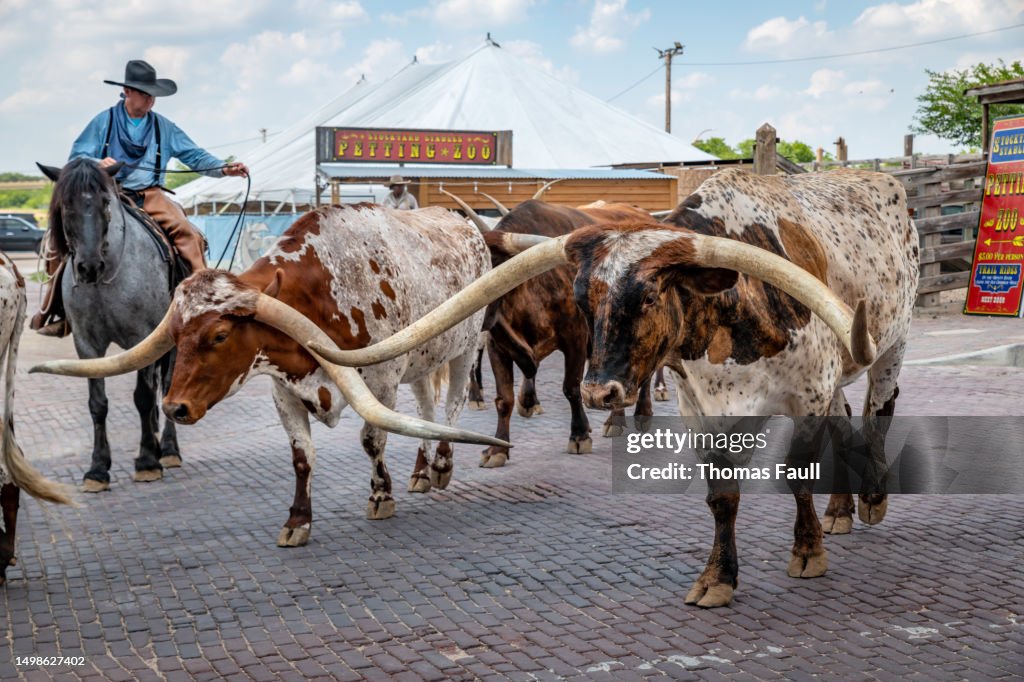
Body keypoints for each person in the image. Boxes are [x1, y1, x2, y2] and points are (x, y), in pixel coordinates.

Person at [31, 59, 249, 337]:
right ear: (126, 91)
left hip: (151, 195)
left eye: (152, 95)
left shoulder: (164, 127)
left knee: (189, 235)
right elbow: (76, 158)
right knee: (56, 239)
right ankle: (57, 310)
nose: (150, 100)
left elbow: (194, 155)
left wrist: (223, 168)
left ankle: (201, 304)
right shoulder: (103, 121)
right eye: (144, 93)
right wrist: (97, 162)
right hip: (108, 194)